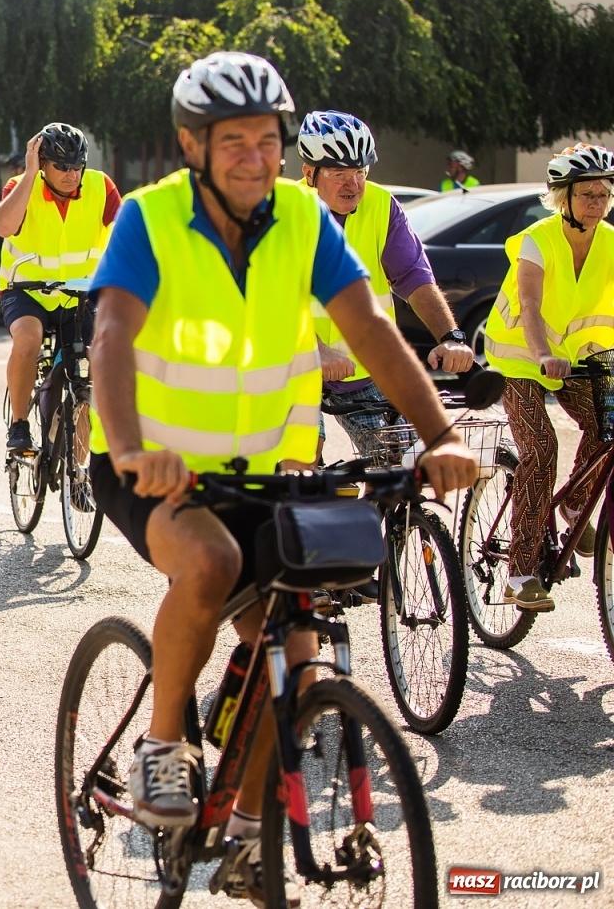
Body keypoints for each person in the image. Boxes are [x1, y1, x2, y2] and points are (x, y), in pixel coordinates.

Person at [86, 52, 475, 895]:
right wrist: (132, 447)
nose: (255, 158)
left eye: (268, 140)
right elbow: (111, 335)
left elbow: (369, 328)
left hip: (258, 470)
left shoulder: (302, 217)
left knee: (297, 652)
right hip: (147, 462)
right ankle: (163, 744)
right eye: (234, 141)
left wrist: (440, 435)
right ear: (193, 145)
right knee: (211, 562)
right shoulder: (150, 219)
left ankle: (251, 836)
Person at [483, 143, 614, 614]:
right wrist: (542, 354)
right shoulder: (538, 240)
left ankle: (575, 502)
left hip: (576, 358)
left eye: (603, 194)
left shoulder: (610, 242)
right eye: (587, 194)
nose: (597, 202)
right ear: (564, 198)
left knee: (606, 426)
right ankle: (520, 574)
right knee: (541, 448)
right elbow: (531, 305)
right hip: (521, 357)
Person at [297, 112, 474, 458]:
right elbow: (271, 297)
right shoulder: (286, 211)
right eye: (338, 174)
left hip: (363, 367)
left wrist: (450, 337)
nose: (353, 184)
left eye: (360, 172)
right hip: (294, 365)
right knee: (303, 455)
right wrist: (315, 349)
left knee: (394, 463)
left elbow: (414, 276)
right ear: (309, 173)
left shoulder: (380, 205)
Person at [0, 123, 121, 453]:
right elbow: (3, 226)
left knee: (95, 359)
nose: (71, 174)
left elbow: (126, 235)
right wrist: (29, 174)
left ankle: (80, 465)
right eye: (62, 166)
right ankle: (20, 424)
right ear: (43, 164)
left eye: (77, 166)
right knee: (28, 339)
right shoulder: (20, 186)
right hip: (26, 290)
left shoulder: (101, 187)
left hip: (78, 295)